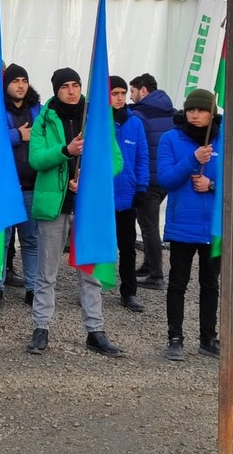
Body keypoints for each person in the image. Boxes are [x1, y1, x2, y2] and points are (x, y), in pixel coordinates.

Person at [27, 67, 124, 357]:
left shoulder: (97, 117)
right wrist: (66, 151)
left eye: (76, 84)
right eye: (65, 86)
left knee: (90, 272)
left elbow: (115, 160)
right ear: (56, 89)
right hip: (54, 207)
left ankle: (95, 331)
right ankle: (41, 328)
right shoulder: (44, 119)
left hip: (87, 206)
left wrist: (89, 179)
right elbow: (35, 159)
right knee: (47, 273)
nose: (72, 90)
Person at [157, 88, 221, 361]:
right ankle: (175, 338)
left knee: (210, 285)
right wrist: (193, 160)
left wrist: (212, 185)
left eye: (201, 110)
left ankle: (208, 338)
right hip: (183, 223)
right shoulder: (170, 138)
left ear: (212, 113)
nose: (195, 115)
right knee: (178, 283)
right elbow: (166, 179)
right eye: (191, 110)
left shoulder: (225, 139)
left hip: (213, 226)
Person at [0, 63, 40, 311]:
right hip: (5, 186)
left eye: (24, 80)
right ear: (6, 84)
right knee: (2, 241)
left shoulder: (38, 110)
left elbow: (47, 139)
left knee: (30, 240)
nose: (20, 85)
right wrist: (17, 135)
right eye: (15, 80)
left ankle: (32, 288)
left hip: (31, 185)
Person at [129, 73, 174, 290]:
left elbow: (137, 147)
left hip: (147, 179)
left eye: (132, 91)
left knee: (148, 227)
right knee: (148, 223)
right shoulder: (171, 112)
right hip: (165, 177)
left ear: (143, 90)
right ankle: (148, 264)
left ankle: (157, 275)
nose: (130, 96)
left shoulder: (140, 115)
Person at [110, 75, 149, 313]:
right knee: (98, 244)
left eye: (123, 93)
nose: (120, 98)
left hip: (127, 195)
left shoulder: (135, 123)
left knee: (127, 247)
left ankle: (129, 291)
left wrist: (142, 187)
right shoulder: (97, 122)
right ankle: (91, 289)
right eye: (115, 93)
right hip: (103, 196)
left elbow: (142, 157)